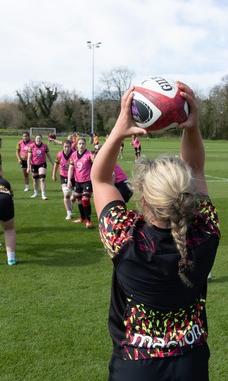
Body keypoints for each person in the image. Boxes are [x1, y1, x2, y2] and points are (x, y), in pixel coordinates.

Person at [91, 82, 220, 381]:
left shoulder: (124, 238)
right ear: (189, 198)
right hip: (191, 365)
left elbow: (100, 180)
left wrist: (119, 130)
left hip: (135, 367)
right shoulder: (206, 233)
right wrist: (192, 126)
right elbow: (197, 169)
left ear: (144, 200)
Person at [68, 137, 93, 229]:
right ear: (76, 145)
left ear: (85, 145)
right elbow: (71, 168)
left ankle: (89, 221)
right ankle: (82, 218)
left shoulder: (89, 154)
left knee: (85, 200)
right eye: (80, 144)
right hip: (77, 181)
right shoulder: (73, 155)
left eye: (83, 143)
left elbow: (95, 165)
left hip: (87, 181)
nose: (81, 145)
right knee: (78, 200)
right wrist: (69, 180)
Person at [52, 139, 75, 220]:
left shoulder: (74, 154)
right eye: (65, 146)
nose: (67, 148)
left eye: (68, 147)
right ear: (62, 147)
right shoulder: (59, 154)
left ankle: (71, 202)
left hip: (74, 177)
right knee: (66, 194)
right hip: (64, 176)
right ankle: (69, 213)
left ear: (70, 147)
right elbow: (56, 165)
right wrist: (54, 174)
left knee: (75, 196)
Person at [27, 134, 54, 199]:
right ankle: (35, 193)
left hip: (42, 164)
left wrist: (53, 164)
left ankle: (43, 194)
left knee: (42, 179)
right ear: (35, 139)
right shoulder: (31, 146)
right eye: (37, 138)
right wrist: (28, 167)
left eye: (39, 138)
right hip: (33, 164)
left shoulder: (45, 146)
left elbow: (48, 155)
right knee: (35, 180)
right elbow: (29, 157)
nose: (38, 140)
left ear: (41, 139)